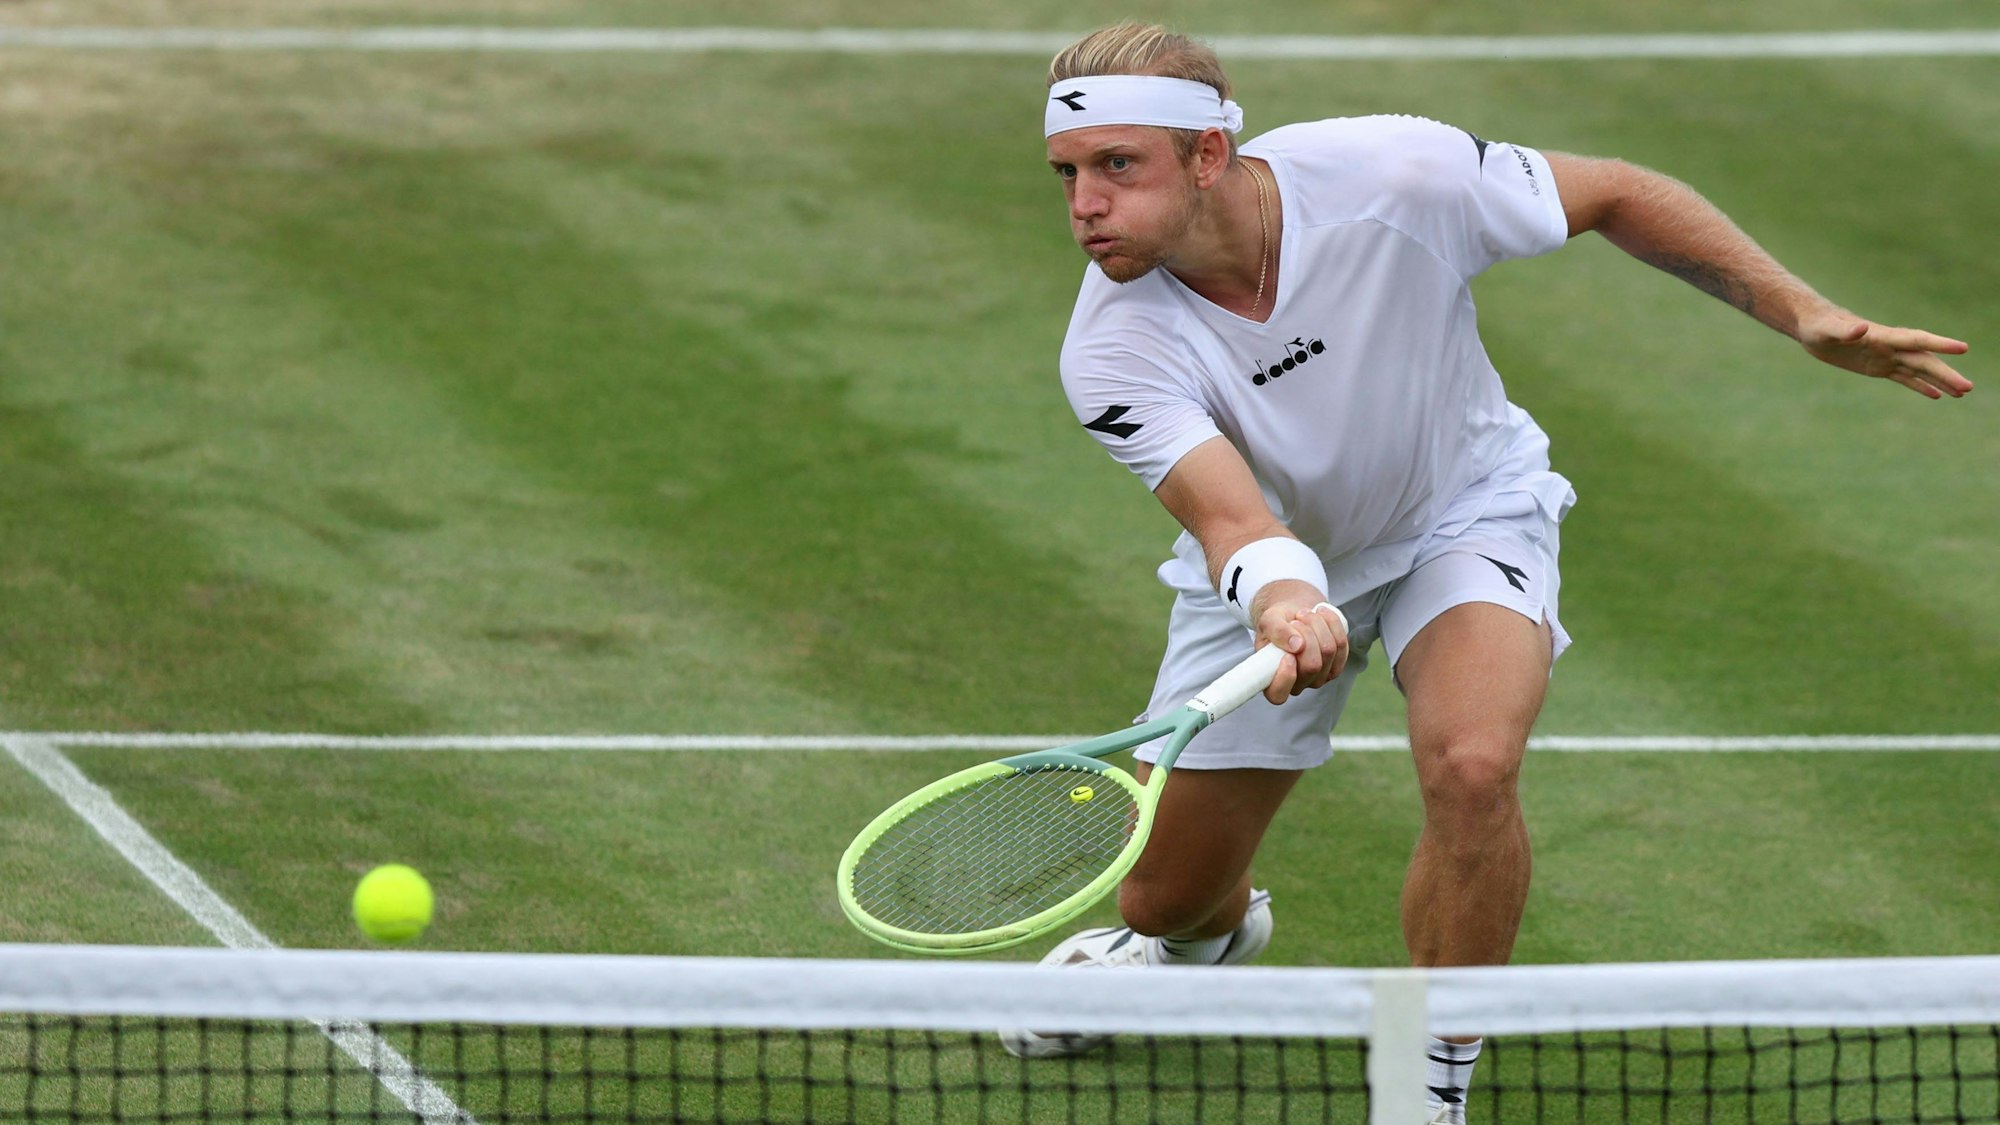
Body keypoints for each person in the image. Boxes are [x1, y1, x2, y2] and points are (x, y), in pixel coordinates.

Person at [1000, 20, 1973, 1122]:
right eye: (1068, 174)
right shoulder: (1111, 349)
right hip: (1279, 567)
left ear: (1208, 155)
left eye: (1115, 166)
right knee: (1164, 895)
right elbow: (1229, 518)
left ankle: (1427, 1082)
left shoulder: (1392, 174)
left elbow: (1611, 191)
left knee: (1470, 766)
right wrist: (1283, 598)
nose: (1082, 205)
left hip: (1464, 511)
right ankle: (1182, 953)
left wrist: (1800, 313)